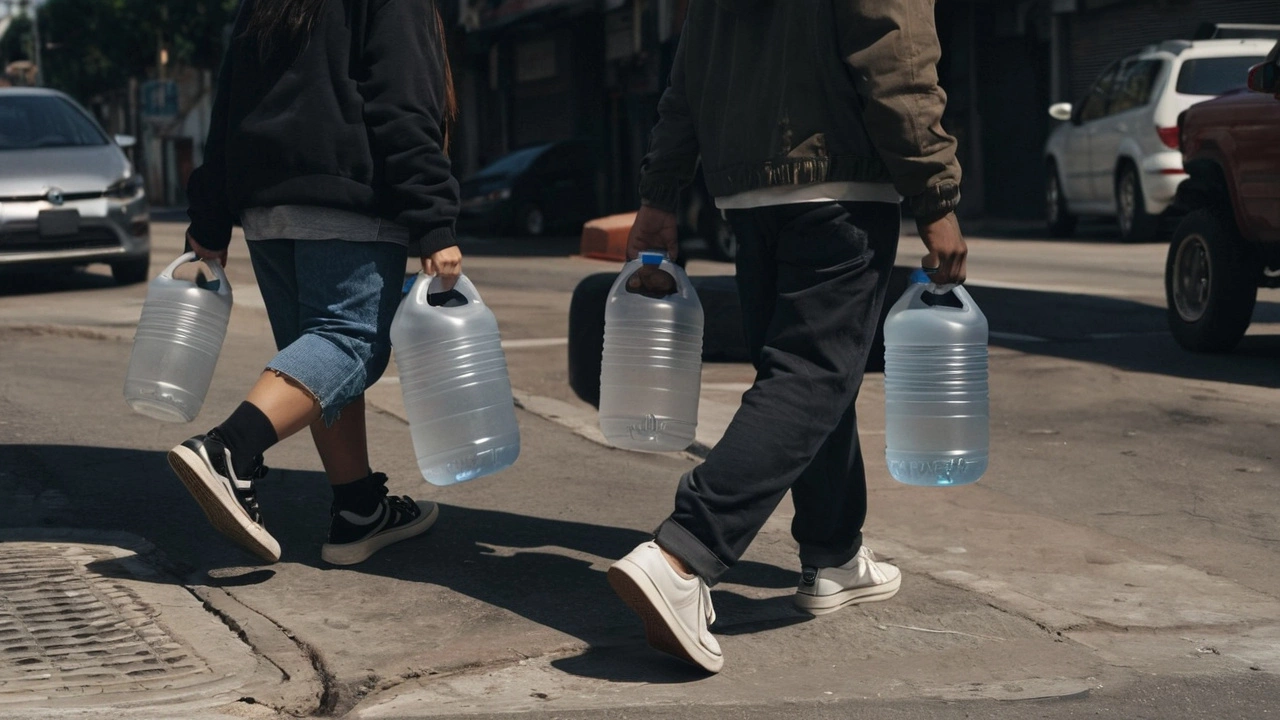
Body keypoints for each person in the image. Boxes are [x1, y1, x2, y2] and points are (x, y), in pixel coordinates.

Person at [608, 0, 969, 673]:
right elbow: (898, 59)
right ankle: (684, 553)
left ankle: (833, 554)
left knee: (807, 374)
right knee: (811, 374)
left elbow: (689, 73)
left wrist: (659, 196)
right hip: (838, 182)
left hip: (749, 192)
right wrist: (936, 197)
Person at [170, 0, 462, 566]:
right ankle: (230, 451)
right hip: (345, 192)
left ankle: (358, 510)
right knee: (348, 345)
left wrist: (210, 215)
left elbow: (229, 99)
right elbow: (402, 100)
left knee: (314, 360)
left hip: (266, 204)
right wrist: (433, 219)